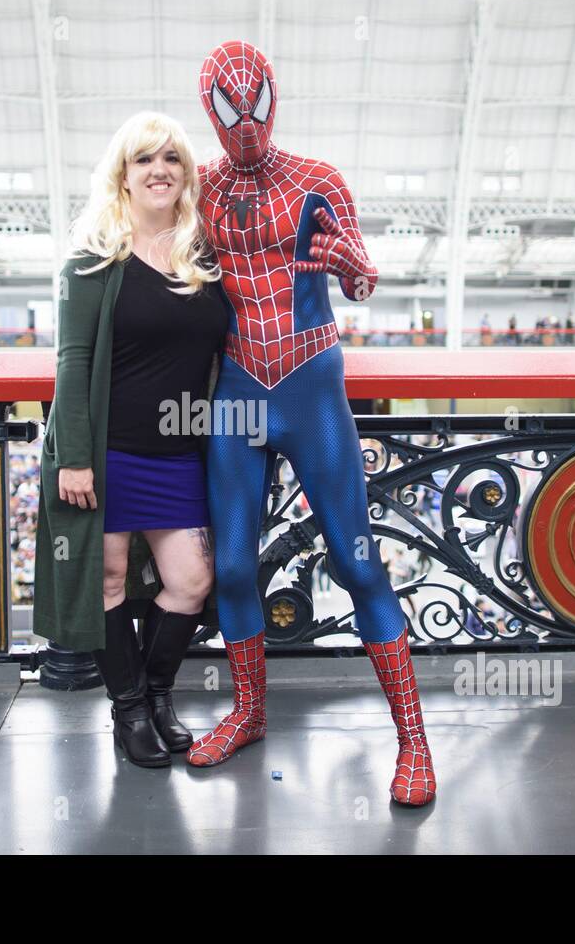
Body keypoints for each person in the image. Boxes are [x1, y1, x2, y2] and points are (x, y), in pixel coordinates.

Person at [189, 41, 435, 805]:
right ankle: (250, 712)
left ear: (273, 95)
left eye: (256, 101)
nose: (247, 122)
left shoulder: (318, 180)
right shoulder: (198, 187)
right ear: (212, 110)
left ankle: (416, 745)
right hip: (236, 388)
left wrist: (357, 267)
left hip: (309, 382)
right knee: (231, 566)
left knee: (358, 563)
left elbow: (358, 276)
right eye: (231, 108)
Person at [33, 111, 231, 769]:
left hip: (179, 451)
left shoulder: (202, 255)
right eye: (145, 159)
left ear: (185, 174)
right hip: (109, 452)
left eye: (171, 159)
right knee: (109, 579)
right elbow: (72, 359)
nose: (159, 171)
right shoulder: (93, 258)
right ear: (123, 173)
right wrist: (75, 457)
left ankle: (156, 693)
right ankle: (129, 711)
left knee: (191, 580)